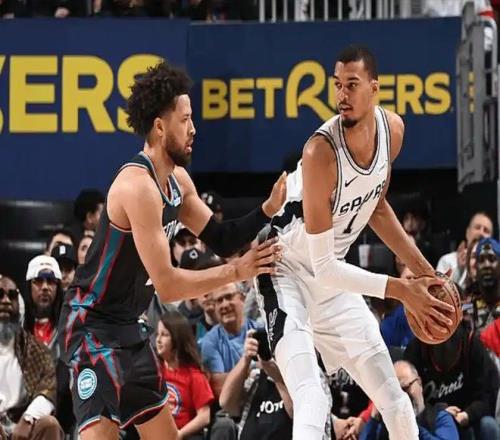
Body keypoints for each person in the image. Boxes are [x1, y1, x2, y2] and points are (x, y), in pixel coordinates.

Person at [57, 61, 285, 440]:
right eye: (186, 119)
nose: (194, 128)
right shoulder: (138, 186)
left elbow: (222, 238)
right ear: (160, 127)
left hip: (128, 326)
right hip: (91, 325)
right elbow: (167, 285)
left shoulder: (177, 181)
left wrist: (267, 209)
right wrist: (236, 271)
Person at [256, 44, 454, 440]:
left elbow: (376, 207)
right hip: (285, 273)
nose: (342, 95)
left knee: (395, 400)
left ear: (374, 88)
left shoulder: (392, 132)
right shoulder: (320, 152)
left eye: (352, 85)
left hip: (332, 280)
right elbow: (324, 267)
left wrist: (426, 273)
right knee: (312, 398)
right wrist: (402, 289)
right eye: (337, 85)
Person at [0, 274, 64, 439]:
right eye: (0, 295)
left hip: (22, 426)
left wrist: (28, 419)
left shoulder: (37, 350)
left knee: (49, 424)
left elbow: (48, 391)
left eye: (12, 296)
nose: (6, 301)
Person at [359, 360, 459, 440]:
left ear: (419, 382)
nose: (401, 396)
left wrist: (411, 427)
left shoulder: (439, 416)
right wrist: (374, 418)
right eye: (395, 392)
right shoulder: (383, 424)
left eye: (405, 388)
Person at [156, 311, 214, 440]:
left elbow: (204, 416)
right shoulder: (154, 370)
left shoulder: (194, 376)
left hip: (184, 435)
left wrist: (179, 434)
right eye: (157, 334)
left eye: (164, 335)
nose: (158, 340)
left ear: (177, 340)